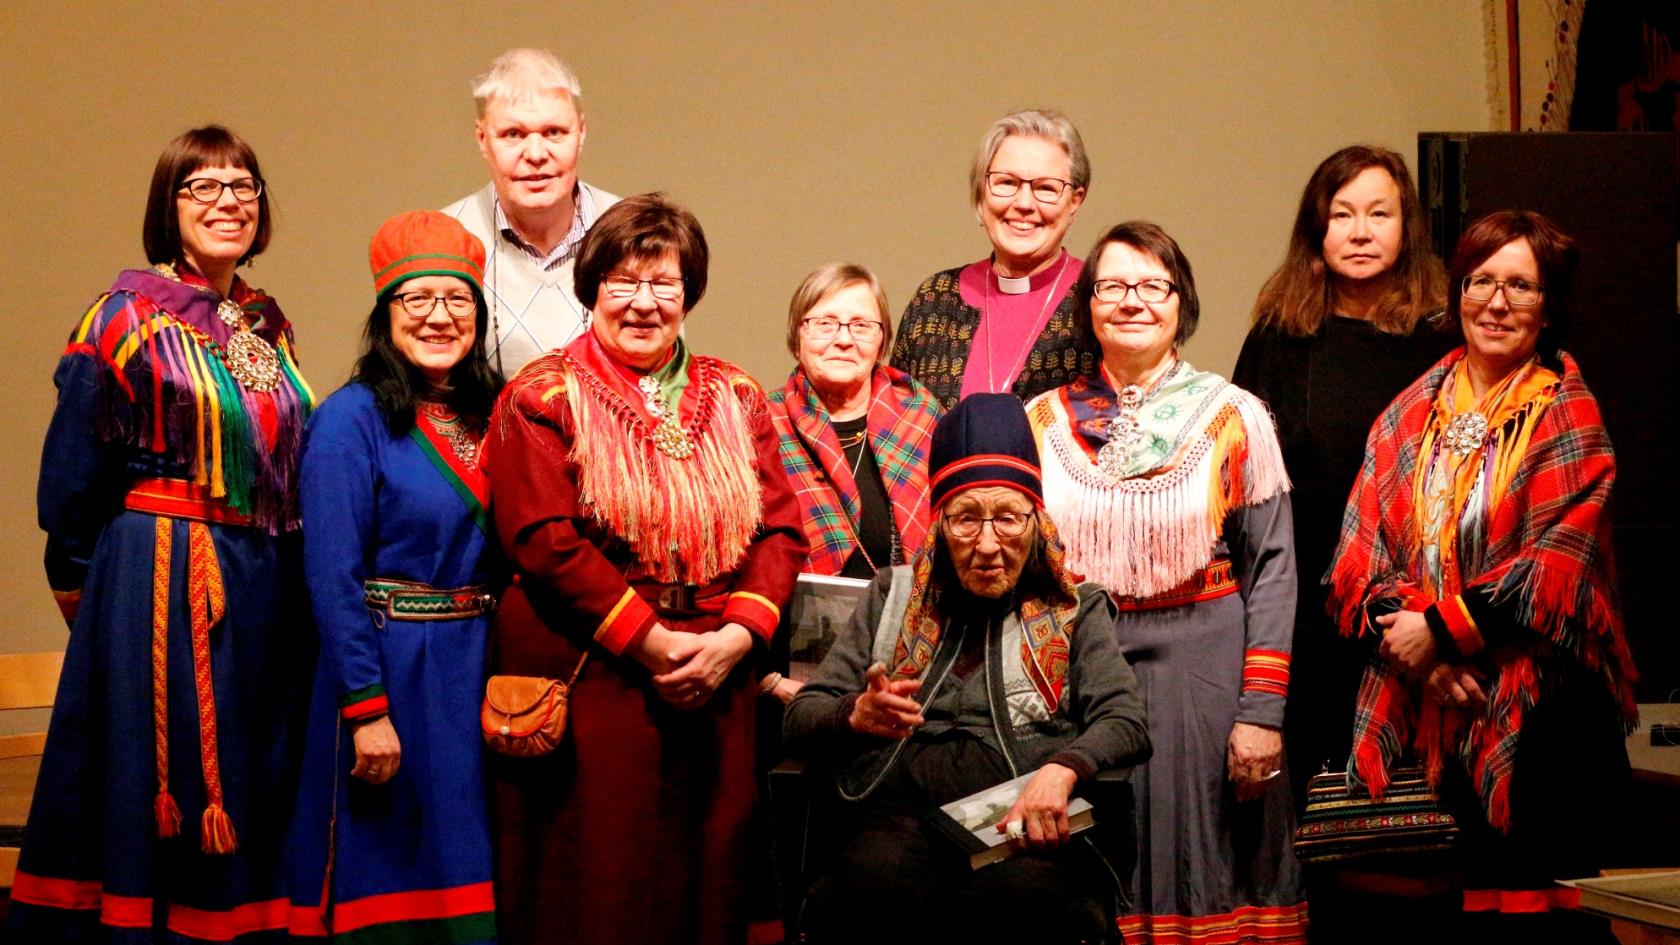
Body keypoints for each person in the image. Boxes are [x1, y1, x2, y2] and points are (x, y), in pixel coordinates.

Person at [11, 126, 316, 942]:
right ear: (168, 206)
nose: (227, 202)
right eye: (203, 187)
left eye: (243, 186)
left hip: (261, 582)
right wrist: (93, 597)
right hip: (160, 578)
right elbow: (70, 478)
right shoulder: (123, 317)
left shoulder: (266, 328)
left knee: (260, 768)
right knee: (171, 770)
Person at [481, 193, 806, 945]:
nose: (643, 302)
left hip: (716, 679)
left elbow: (782, 530)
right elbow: (543, 539)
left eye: (663, 284)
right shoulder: (540, 395)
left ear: (688, 294)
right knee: (597, 883)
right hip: (595, 670)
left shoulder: (736, 394)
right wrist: (655, 643)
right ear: (592, 286)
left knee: (708, 878)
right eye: (623, 282)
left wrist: (731, 642)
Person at [1326, 210, 1637, 942]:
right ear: (1458, 290)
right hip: (1428, 708)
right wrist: (1418, 654)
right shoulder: (1405, 412)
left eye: (1520, 287)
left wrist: (1440, 632)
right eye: (1482, 281)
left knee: (1533, 926)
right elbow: (1363, 557)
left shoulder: (1570, 414)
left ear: (1549, 304)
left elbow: (1556, 564)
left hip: (1542, 723)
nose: (1497, 302)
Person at [1026, 222, 1308, 943]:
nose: (1133, 301)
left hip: (1205, 668)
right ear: (1088, 303)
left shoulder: (1233, 415)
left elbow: (1273, 566)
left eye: (1153, 285)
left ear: (1181, 302)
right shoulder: (1044, 421)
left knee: (1207, 860)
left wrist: (1262, 712)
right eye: (1113, 285)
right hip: (1083, 671)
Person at [784, 393, 1151, 945]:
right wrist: (854, 715)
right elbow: (802, 714)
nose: (986, 544)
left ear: (1037, 519)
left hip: (1017, 823)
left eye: (1006, 518)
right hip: (895, 818)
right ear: (938, 524)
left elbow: (1125, 719)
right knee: (868, 891)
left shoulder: (1076, 606)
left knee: (1018, 902)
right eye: (964, 519)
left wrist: (1064, 769)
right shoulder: (891, 594)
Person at [286, 211, 504, 942]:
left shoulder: (496, 414)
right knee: (393, 873)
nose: (440, 316)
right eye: (418, 300)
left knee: (472, 866)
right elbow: (331, 574)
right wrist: (366, 708)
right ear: (387, 314)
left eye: (458, 299)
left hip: (477, 673)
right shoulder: (350, 420)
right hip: (392, 673)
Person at [1232, 146, 1453, 824]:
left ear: (1406, 228)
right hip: (1304, 624)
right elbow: (1240, 488)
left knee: (1418, 832)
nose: (1360, 232)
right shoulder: (1277, 338)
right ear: (1316, 231)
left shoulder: (1444, 340)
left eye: (1379, 213)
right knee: (1321, 830)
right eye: (1343, 214)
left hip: (1418, 624)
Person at [891, 108, 1099, 409]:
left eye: (1045, 188)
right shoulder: (934, 300)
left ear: (1074, 201)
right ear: (981, 191)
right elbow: (897, 428)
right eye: (1006, 183)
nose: (1024, 203)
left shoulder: (1102, 298)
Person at [445, 47, 619, 376]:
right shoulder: (444, 238)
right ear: (482, 138)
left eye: (554, 132)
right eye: (513, 134)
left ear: (581, 132)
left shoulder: (631, 233)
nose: (536, 154)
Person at [769, 263, 942, 581]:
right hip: (795, 623)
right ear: (797, 339)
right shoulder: (764, 423)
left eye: (861, 325)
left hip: (907, 620)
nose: (844, 339)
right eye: (825, 324)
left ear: (882, 342)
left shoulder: (922, 418)